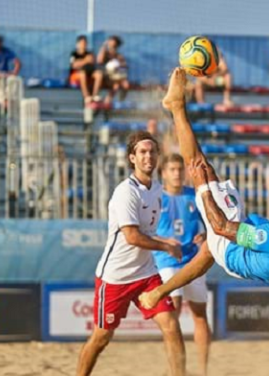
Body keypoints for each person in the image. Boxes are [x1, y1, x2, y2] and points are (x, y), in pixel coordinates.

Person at [139, 68, 269, 309]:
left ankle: (176, 106)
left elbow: (221, 227)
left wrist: (201, 187)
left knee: (201, 166)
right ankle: (159, 292)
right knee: (206, 251)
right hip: (266, 258)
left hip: (233, 253)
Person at [76, 131, 187, 376]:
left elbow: (146, 232)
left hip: (146, 273)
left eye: (152, 151)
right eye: (143, 152)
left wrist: (164, 239)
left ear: (158, 156)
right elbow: (132, 237)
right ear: (132, 158)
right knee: (102, 337)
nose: (148, 156)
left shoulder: (157, 188)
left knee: (171, 325)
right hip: (116, 277)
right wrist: (166, 246)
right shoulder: (126, 192)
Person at [154, 153, 211, 376]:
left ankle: (203, 370)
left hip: (193, 261)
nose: (177, 173)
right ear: (163, 173)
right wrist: (163, 241)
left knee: (200, 315)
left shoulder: (193, 196)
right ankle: (175, 370)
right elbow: (143, 231)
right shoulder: (157, 198)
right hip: (168, 261)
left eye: (180, 169)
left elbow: (212, 222)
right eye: (172, 169)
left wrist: (206, 233)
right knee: (172, 314)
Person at [92, 35, 130, 105]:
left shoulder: (119, 56)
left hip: (113, 77)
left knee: (124, 84)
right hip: (104, 76)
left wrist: (119, 68)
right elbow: (99, 60)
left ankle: (118, 101)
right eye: (110, 45)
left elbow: (125, 68)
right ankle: (95, 96)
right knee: (100, 75)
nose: (112, 48)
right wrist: (103, 46)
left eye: (114, 46)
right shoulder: (105, 53)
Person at [68, 35, 96, 105]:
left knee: (98, 74)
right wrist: (85, 60)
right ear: (78, 44)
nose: (83, 45)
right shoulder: (74, 54)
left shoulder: (89, 53)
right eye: (82, 43)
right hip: (76, 76)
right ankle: (86, 96)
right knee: (82, 74)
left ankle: (94, 96)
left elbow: (92, 62)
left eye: (85, 43)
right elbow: (74, 65)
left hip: (88, 75)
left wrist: (81, 62)